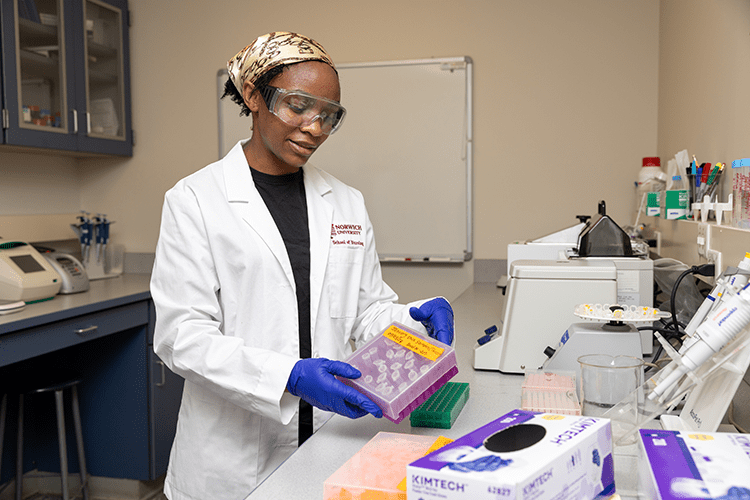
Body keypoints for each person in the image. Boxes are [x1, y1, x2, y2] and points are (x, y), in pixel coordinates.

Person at [150, 31, 455, 500]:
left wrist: (409, 318)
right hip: (231, 461)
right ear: (254, 96)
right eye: (298, 105)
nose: (315, 127)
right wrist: (288, 376)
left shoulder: (346, 203)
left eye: (328, 115)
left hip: (331, 443)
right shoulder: (195, 200)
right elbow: (181, 337)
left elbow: (365, 311)